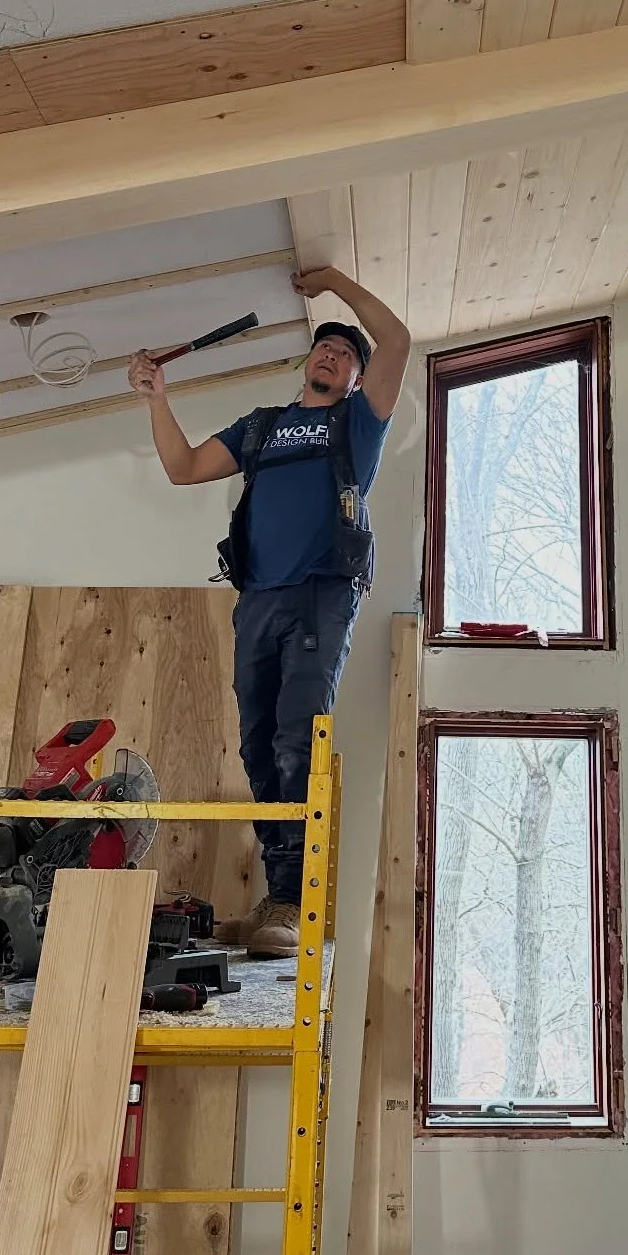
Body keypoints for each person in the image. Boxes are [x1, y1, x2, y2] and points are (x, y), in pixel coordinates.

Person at [127, 267, 411, 956]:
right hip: (257, 599)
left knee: (295, 739)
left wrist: (334, 281)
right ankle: (278, 892)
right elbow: (184, 468)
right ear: (306, 363)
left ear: (356, 379)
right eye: (324, 347)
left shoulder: (357, 425)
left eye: (346, 354)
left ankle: (293, 900)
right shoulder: (261, 428)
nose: (332, 355)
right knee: (258, 745)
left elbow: (398, 340)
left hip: (321, 595)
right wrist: (157, 398)